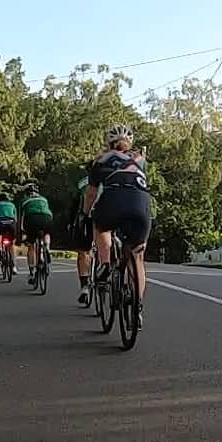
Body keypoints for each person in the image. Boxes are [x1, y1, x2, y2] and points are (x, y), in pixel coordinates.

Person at [85, 125, 150, 321]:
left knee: (100, 226)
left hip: (114, 201)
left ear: (109, 142)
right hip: (141, 204)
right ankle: (137, 307)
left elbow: (91, 193)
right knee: (137, 257)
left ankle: (104, 263)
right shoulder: (139, 160)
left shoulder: (101, 159)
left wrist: (86, 214)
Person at [18, 180, 54, 286]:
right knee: (47, 233)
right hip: (47, 218)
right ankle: (46, 247)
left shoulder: (24, 200)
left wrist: (22, 232)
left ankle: (32, 272)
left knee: (31, 245)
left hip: (32, 219)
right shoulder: (44, 199)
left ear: (26, 193)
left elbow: (21, 218)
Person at [72, 162, 94, 305]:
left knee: (83, 252)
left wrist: (71, 223)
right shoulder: (111, 177)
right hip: (112, 215)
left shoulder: (82, 183)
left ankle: (84, 287)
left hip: (87, 217)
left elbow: (74, 205)